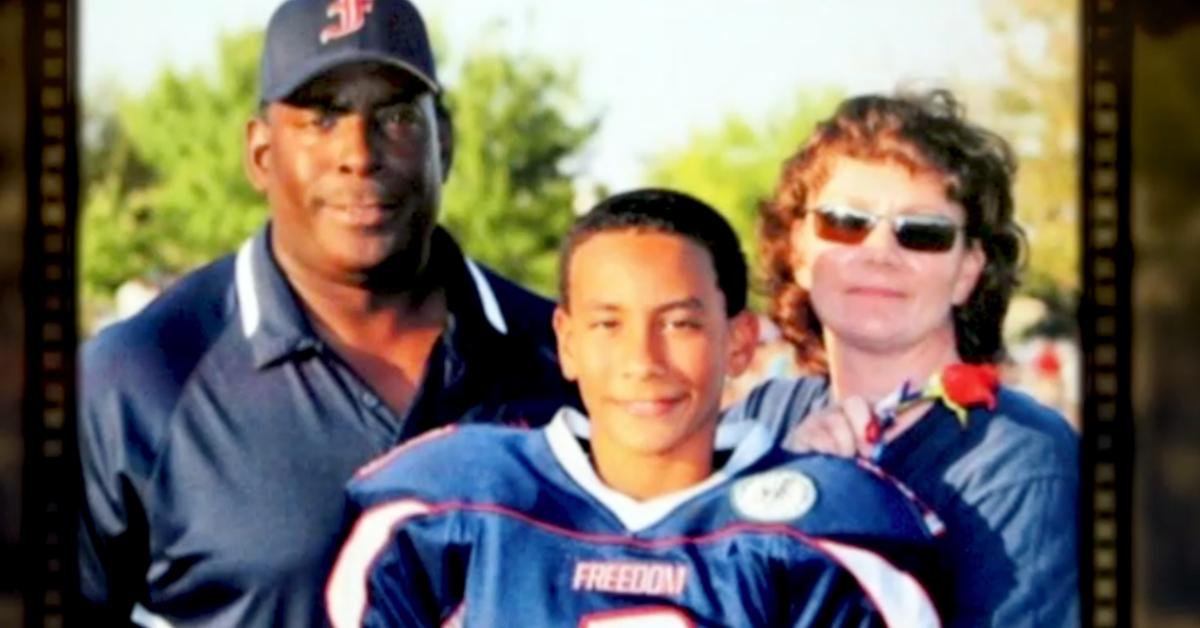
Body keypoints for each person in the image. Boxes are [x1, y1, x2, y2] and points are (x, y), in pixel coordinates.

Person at [76, 0, 577, 625]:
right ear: (260, 154)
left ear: (442, 143)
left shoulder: (569, 360)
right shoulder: (136, 377)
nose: (359, 154)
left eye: (394, 116)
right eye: (321, 118)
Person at [326, 189, 942, 627]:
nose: (643, 359)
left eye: (679, 323)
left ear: (740, 343)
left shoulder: (831, 530)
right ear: (565, 342)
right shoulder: (445, 507)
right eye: (608, 324)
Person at [726, 90, 1079, 626]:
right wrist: (785, 482)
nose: (879, 253)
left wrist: (835, 500)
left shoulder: (1019, 463)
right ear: (798, 249)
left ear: (967, 272)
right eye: (845, 222)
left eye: (923, 233)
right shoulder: (760, 422)